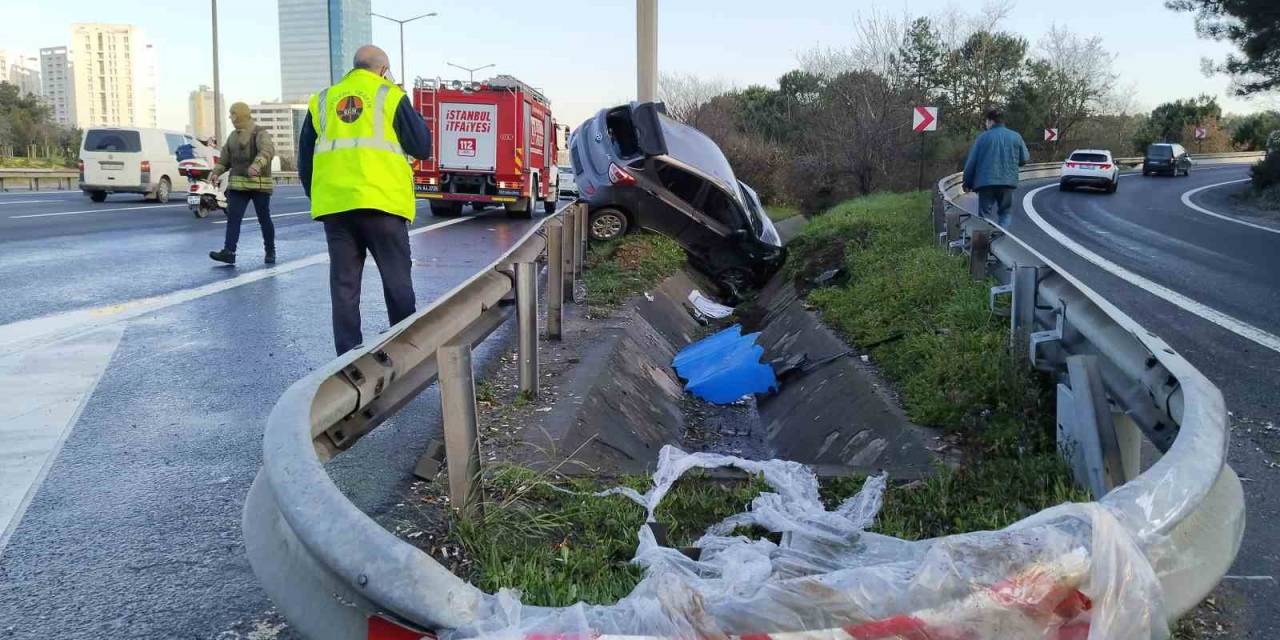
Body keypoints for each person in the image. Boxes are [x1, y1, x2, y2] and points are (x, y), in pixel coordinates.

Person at [298, 44, 432, 355]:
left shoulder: (323, 99)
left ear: (354, 66)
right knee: (396, 281)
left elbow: (306, 159)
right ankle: (404, 351)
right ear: (383, 70)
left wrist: (317, 194)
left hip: (336, 207)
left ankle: (347, 360)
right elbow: (422, 146)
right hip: (381, 203)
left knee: (344, 286)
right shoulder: (390, 95)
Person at [209, 102, 276, 265]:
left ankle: (270, 251)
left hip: (259, 186)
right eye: (230, 114)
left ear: (241, 114)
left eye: (233, 114)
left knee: (264, 219)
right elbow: (225, 158)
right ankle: (229, 252)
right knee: (233, 218)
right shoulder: (232, 136)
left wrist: (257, 165)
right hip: (238, 186)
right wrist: (216, 171)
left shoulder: (259, 133)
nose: (231, 117)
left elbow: (267, 151)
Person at [962, 107, 1030, 227]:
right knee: (1005, 212)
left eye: (986, 122)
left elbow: (971, 163)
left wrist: (967, 183)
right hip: (1007, 182)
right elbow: (1024, 158)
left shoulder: (982, 138)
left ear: (990, 121)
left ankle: (986, 239)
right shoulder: (1016, 136)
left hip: (985, 183)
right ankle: (1001, 237)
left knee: (984, 215)